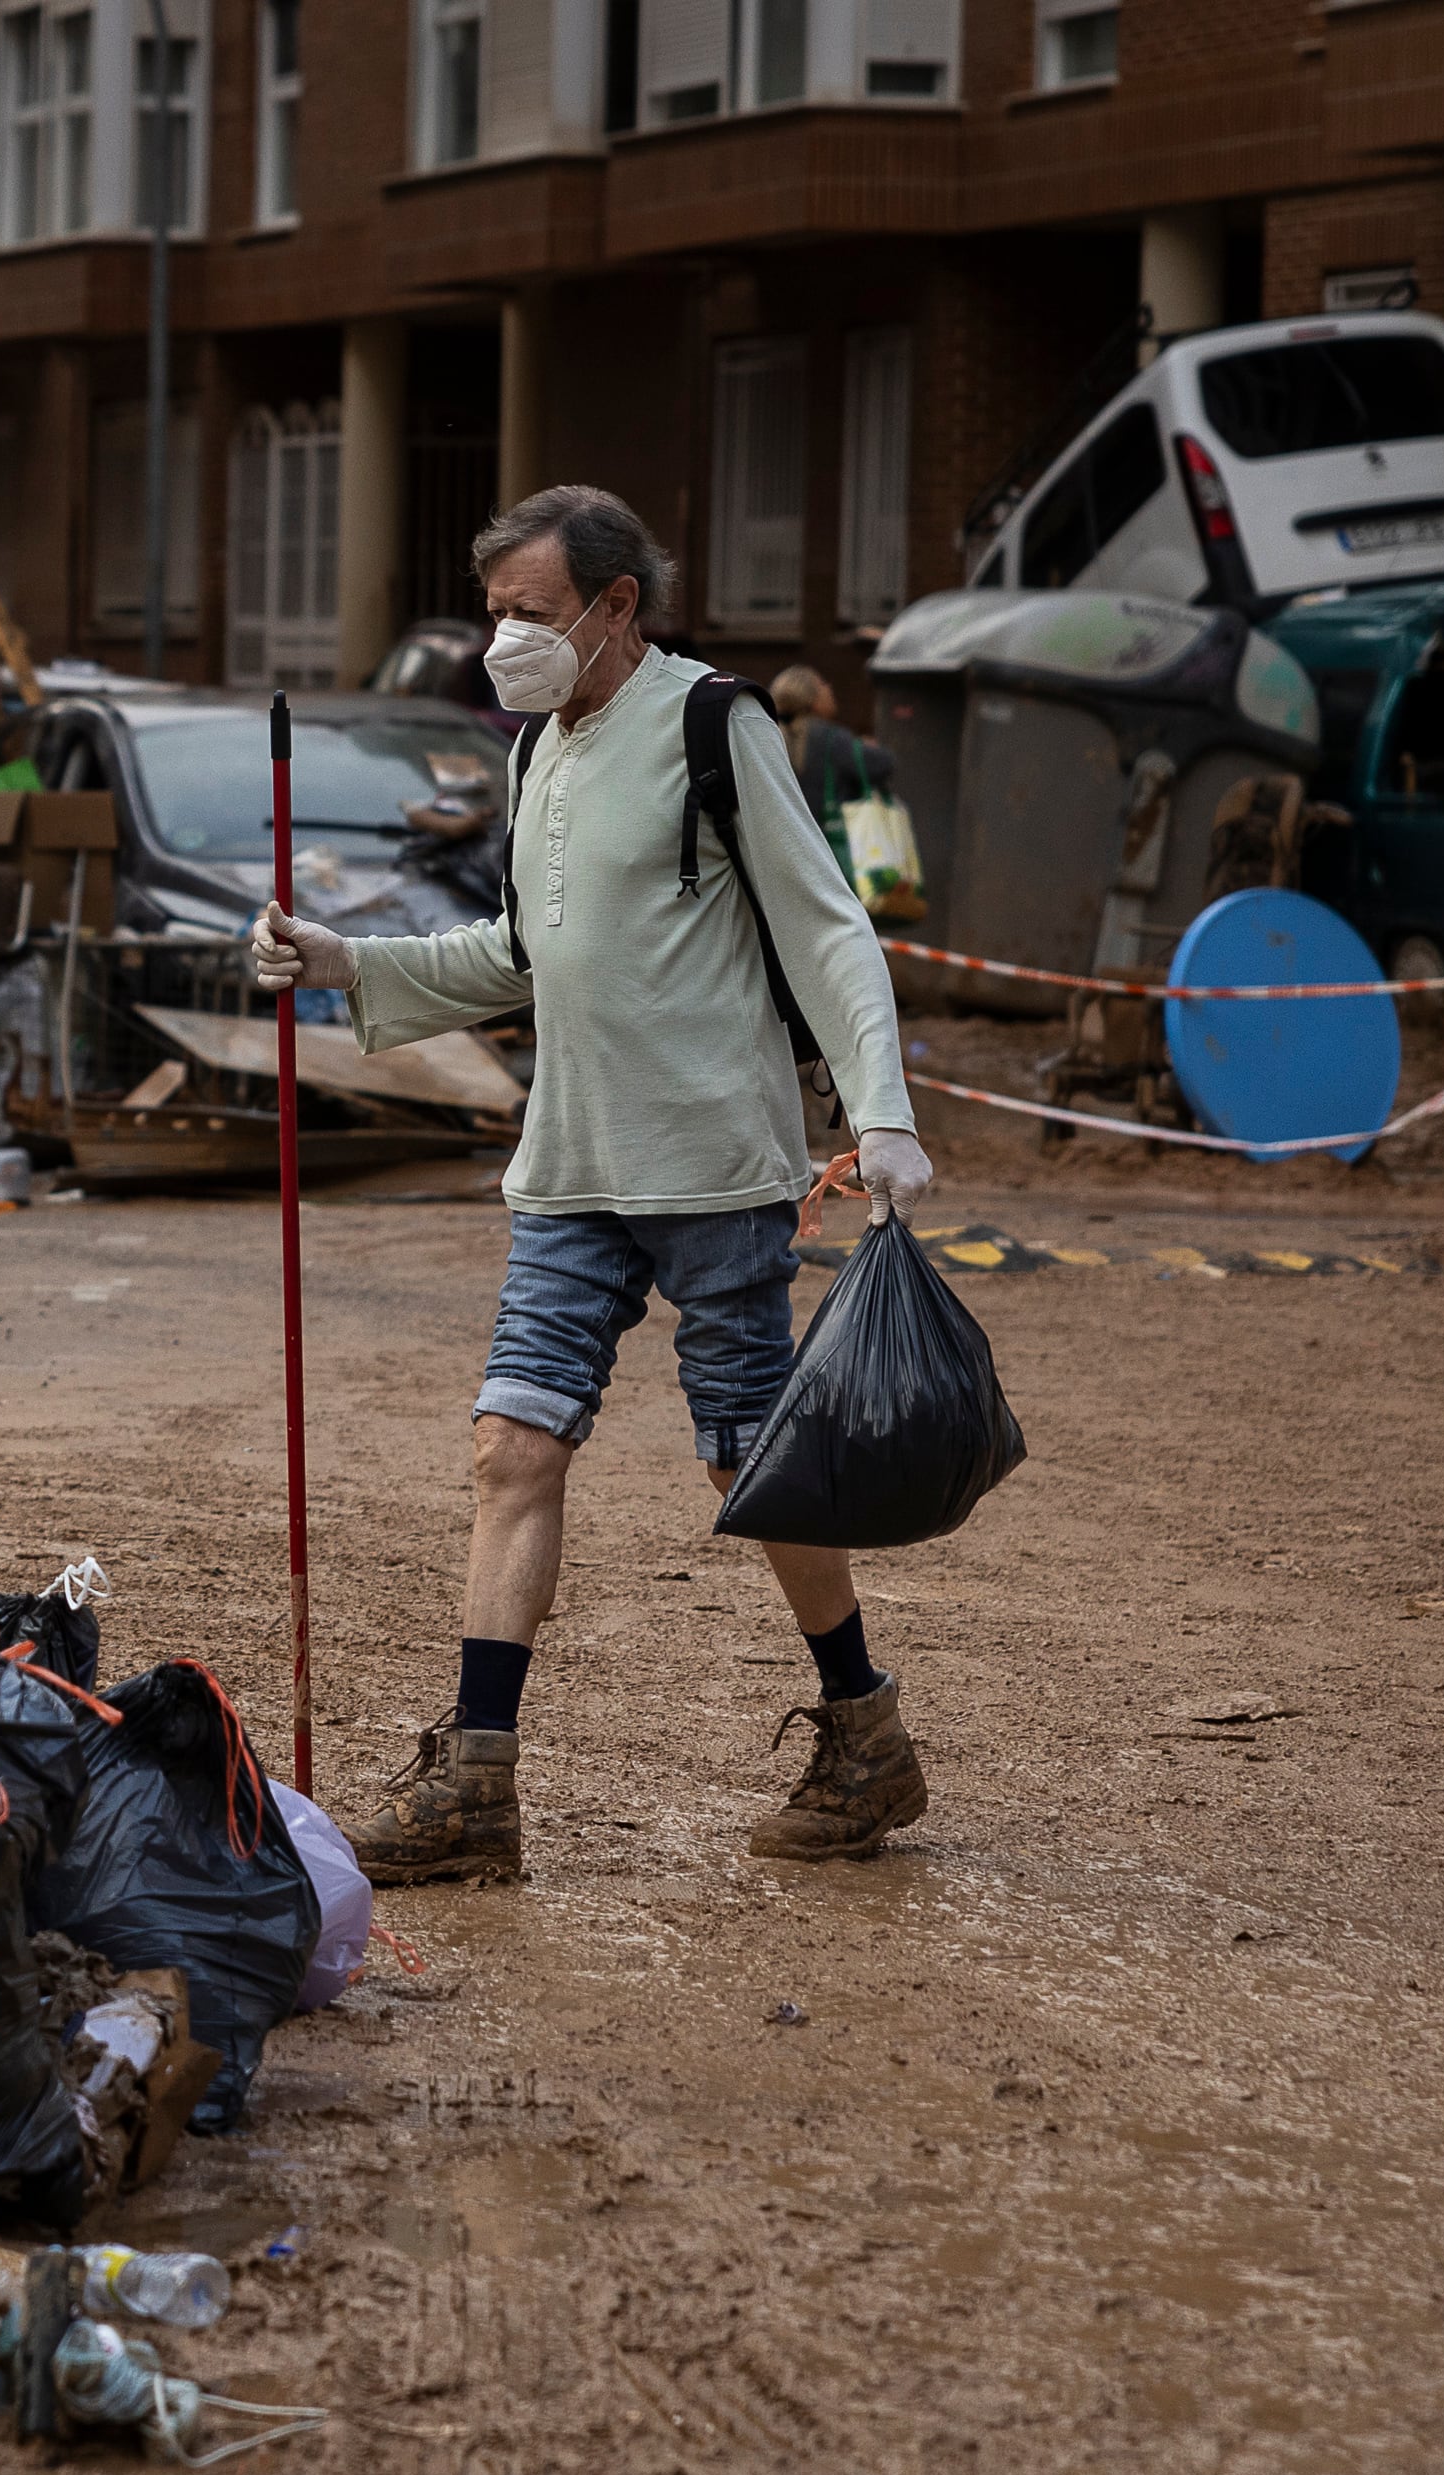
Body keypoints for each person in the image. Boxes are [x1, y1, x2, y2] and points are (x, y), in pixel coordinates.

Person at [248, 484, 936, 1885]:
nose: (507, 640)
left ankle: (866, 1735)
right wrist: (348, 965)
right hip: (567, 1166)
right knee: (513, 1448)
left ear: (619, 607)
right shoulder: (535, 752)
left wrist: (883, 1112)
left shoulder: (711, 726)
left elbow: (830, 932)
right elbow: (520, 951)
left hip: (714, 1165)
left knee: (751, 1462)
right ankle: (475, 1788)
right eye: (495, 612)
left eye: (535, 614)